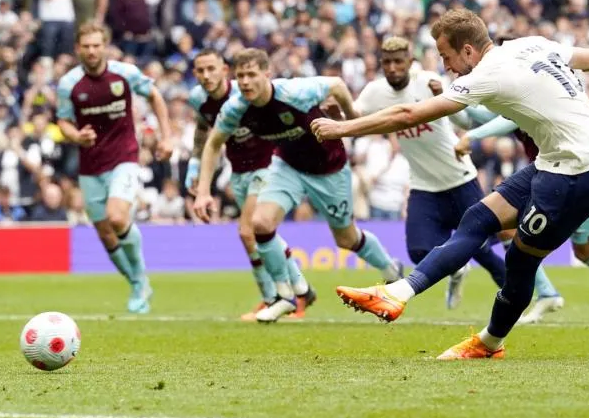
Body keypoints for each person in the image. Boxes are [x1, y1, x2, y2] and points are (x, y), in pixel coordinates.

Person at [312, 9, 589, 359]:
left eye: (447, 56)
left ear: (468, 51)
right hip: (554, 164)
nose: (447, 66)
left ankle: (488, 344)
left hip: (576, 176)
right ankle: (399, 292)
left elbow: (409, 114)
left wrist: (342, 129)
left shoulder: (487, 73)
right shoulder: (530, 44)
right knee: (476, 219)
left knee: (519, 260)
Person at [193, 48, 402, 323]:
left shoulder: (296, 92)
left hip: (329, 167)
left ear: (267, 75)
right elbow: (212, 144)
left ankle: (391, 270)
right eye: (240, 76)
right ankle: (285, 295)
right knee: (261, 224)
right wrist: (204, 191)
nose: (244, 82)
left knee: (346, 239)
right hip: (287, 165)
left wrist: (351, 120)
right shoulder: (236, 107)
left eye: (251, 75)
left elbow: (337, 85)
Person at [355, 36, 507, 310]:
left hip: (459, 178)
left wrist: (441, 96)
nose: (392, 68)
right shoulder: (374, 92)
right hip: (423, 185)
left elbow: (463, 119)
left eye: (398, 62)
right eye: (387, 62)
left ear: (410, 63)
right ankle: (457, 271)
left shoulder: (427, 82)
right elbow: (354, 113)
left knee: (482, 249)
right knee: (417, 251)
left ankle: (516, 298)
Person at [455, 113, 589, 323]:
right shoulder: (510, 95)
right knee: (507, 229)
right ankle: (547, 293)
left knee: (584, 250)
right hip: (546, 177)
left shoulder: (529, 96)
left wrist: (471, 134)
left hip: (580, 174)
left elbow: (508, 119)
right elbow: (479, 114)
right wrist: (450, 98)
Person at [185, 49, 315, 321]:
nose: (206, 75)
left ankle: (277, 297)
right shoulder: (198, 99)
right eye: (200, 70)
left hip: (268, 166)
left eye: (212, 68)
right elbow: (203, 132)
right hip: (239, 171)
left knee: (248, 232)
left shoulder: (245, 94)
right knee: (259, 233)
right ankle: (299, 289)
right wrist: (195, 168)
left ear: (225, 71)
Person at [56, 22, 173, 314]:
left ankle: (140, 277)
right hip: (91, 165)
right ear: (77, 49)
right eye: (87, 46)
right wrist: (76, 136)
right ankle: (137, 283)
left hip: (124, 157)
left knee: (117, 217)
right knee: (106, 233)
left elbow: (155, 96)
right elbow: (63, 121)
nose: (92, 51)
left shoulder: (125, 74)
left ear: (105, 46)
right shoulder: (69, 84)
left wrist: (166, 135)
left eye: (97, 45)